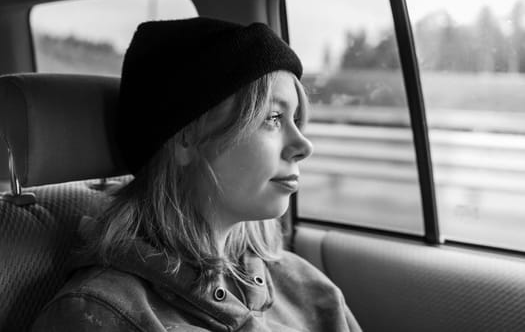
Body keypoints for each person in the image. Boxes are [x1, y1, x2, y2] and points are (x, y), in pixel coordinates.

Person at [31, 17, 361, 332]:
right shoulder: (95, 316)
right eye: (273, 117)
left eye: (296, 119)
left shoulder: (309, 286)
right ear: (187, 138)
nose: (303, 145)